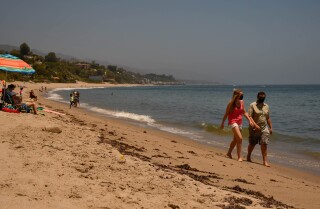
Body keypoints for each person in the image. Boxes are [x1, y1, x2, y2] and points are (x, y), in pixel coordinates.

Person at [220, 89, 253, 161]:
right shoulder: (231, 103)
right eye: (241, 95)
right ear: (237, 95)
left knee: (235, 140)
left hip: (239, 122)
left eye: (242, 94)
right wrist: (222, 123)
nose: (242, 96)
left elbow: (244, 112)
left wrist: (249, 120)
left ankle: (229, 153)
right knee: (240, 138)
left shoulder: (242, 102)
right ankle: (239, 157)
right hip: (232, 122)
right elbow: (226, 114)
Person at [247, 91, 273, 167]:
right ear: (258, 97)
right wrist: (255, 125)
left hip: (264, 128)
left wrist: (271, 127)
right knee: (252, 143)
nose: (262, 97)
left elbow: (267, 118)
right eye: (261, 96)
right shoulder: (252, 105)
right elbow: (249, 116)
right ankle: (248, 156)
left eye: (263, 96)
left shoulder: (266, 106)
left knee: (264, 144)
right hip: (254, 128)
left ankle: (265, 161)